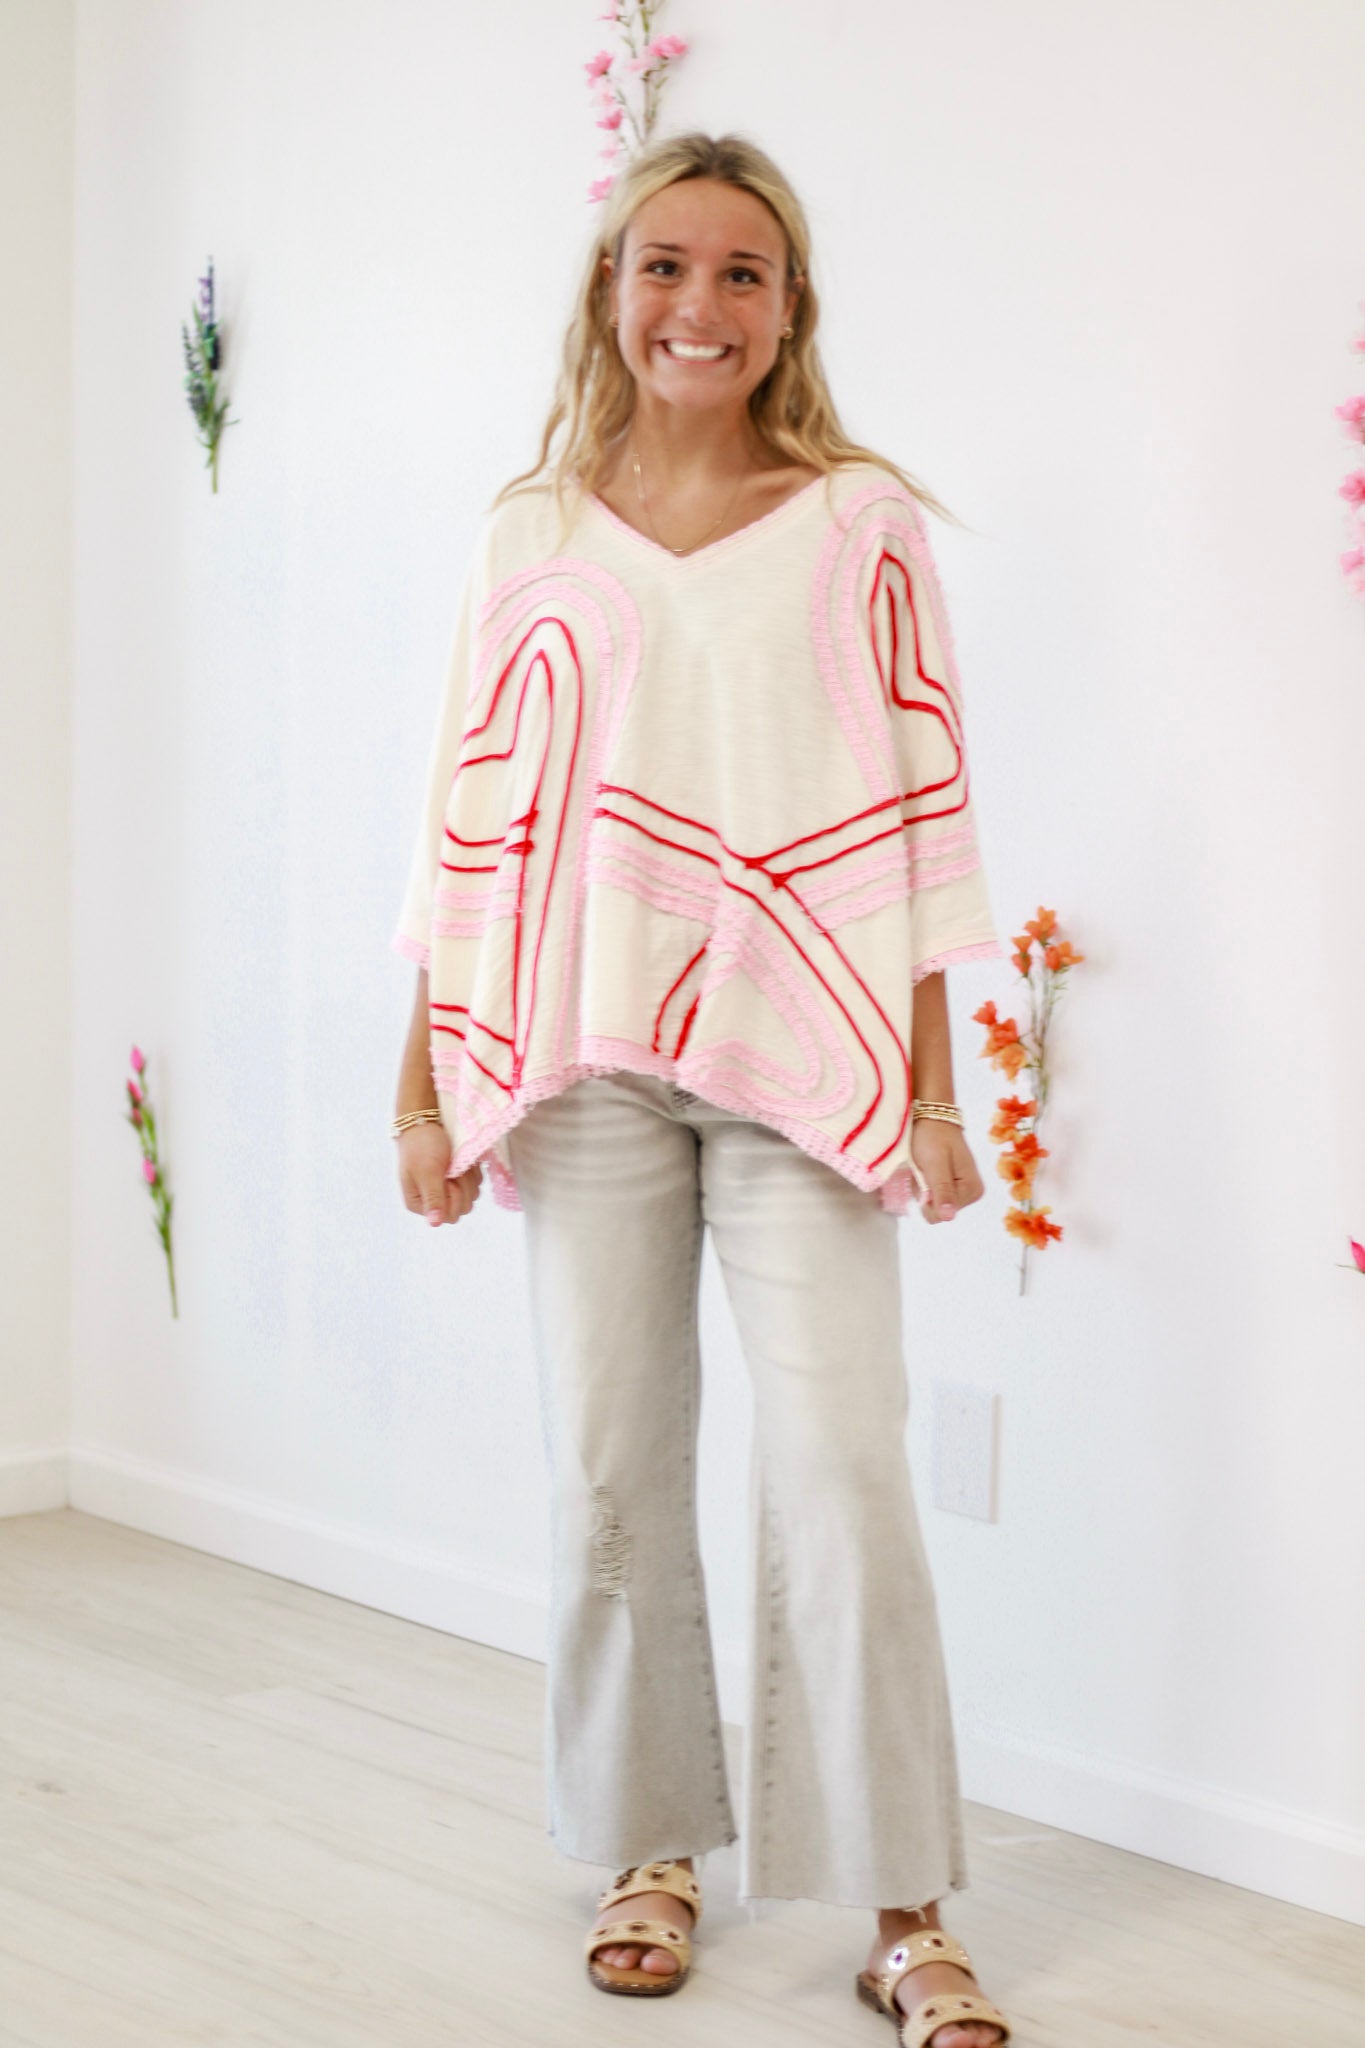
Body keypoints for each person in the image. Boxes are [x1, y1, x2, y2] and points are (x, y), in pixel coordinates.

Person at [390, 130, 1011, 2048]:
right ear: (611, 289)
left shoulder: (859, 527)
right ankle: (643, 1848)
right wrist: (422, 1088)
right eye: (665, 264)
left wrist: (930, 1094)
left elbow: (919, 824)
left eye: (743, 271)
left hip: (803, 1061)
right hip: (578, 1061)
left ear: (788, 306)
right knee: (605, 1470)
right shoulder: (529, 533)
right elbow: (465, 829)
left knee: (844, 1474)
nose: (700, 303)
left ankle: (902, 1910)